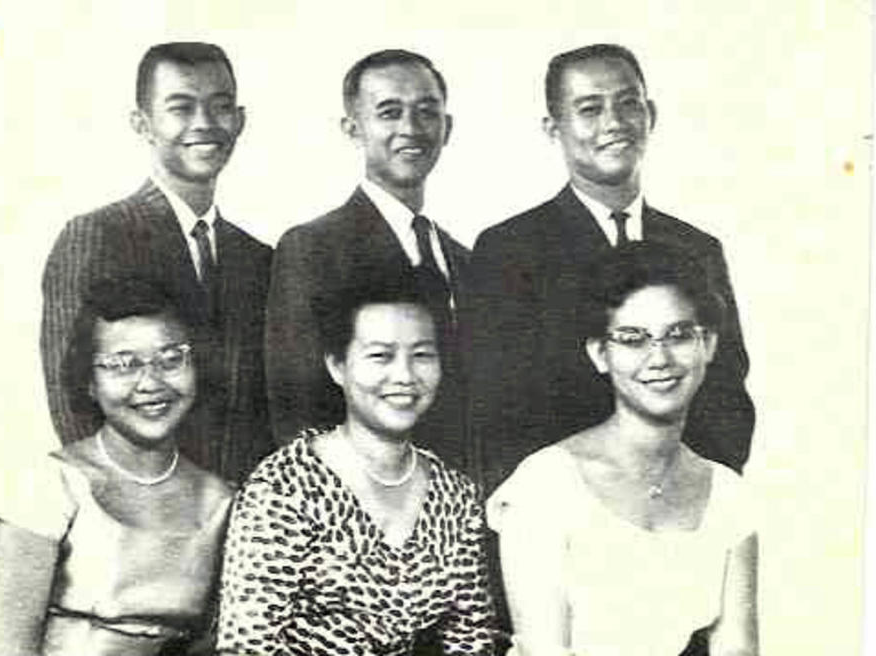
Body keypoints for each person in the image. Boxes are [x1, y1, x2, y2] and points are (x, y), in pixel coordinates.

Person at [469, 44, 754, 494]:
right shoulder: (509, 250)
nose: (614, 123)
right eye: (589, 109)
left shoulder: (697, 248)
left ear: (651, 115)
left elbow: (728, 398)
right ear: (553, 128)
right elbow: (500, 413)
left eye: (628, 103)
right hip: (566, 511)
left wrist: (686, 496)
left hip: (683, 511)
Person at [488, 243, 759, 656]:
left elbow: (737, 650)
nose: (660, 358)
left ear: (708, 344)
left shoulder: (727, 494)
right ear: (600, 353)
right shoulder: (545, 486)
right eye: (633, 339)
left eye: (679, 335)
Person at [217, 273, 497, 656]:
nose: (404, 376)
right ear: (337, 366)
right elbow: (247, 647)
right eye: (380, 355)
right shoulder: (284, 487)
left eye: (422, 355)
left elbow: (471, 637)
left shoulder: (456, 494)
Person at [41, 41, 273, 484]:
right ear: (142, 123)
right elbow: (71, 395)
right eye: (181, 108)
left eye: (220, 107)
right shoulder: (96, 235)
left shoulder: (258, 259)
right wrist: (130, 508)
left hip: (244, 518)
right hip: (138, 513)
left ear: (240, 121)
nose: (204, 124)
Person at [0, 277, 233, 656]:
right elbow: (8, 649)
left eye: (171, 360)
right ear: (89, 382)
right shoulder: (50, 484)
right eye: (121, 365)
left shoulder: (222, 500)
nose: (150, 383)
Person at [265, 49, 472, 472]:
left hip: (457, 502)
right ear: (353, 128)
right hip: (357, 502)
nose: (410, 129)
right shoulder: (311, 249)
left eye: (426, 111)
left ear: (447, 128)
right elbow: (294, 408)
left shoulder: (465, 259)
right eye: (389, 112)